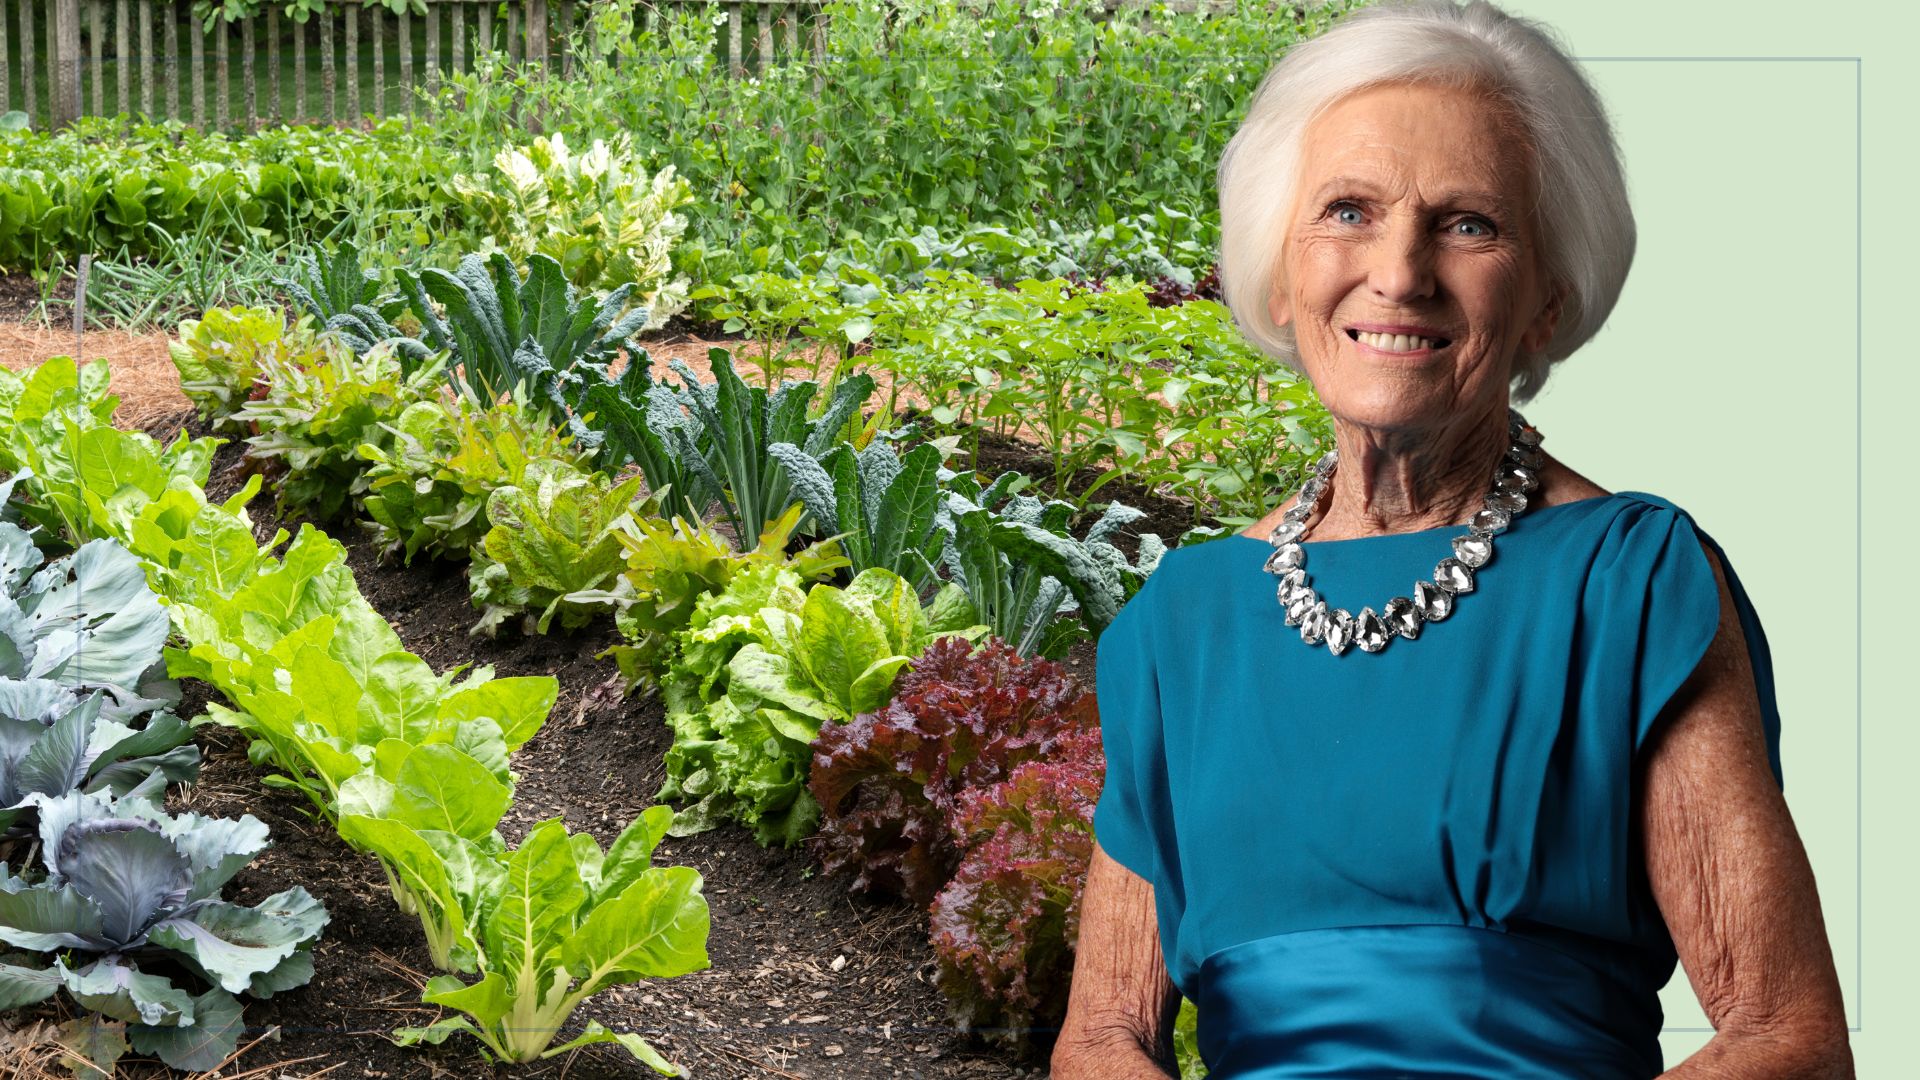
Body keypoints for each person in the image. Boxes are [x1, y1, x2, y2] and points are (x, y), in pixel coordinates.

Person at [1051, 1, 1852, 1077]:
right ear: (1282, 278)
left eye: (1468, 223)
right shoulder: (1182, 625)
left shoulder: (1633, 585)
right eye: (1347, 210)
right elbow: (1100, 1040)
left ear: (1547, 302)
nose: (1399, 272)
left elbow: (1787, 1038)